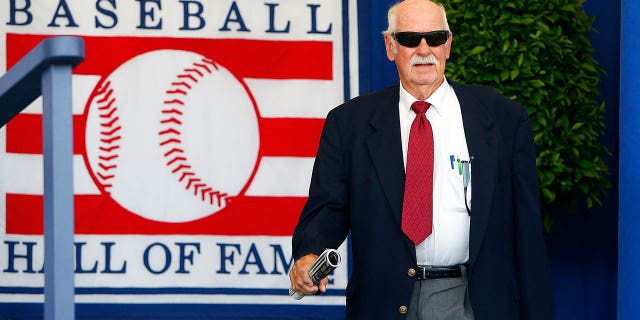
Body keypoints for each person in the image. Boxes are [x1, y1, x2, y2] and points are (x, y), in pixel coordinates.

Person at [288, 0, 554, 319]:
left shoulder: (504, 119)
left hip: (473, 299)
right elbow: (328, 206)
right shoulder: (349, 123)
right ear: (391, 46)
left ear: (449, 44)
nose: (424, 49)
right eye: (411, 39)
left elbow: (527, 231)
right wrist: (309, 253)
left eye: (436, 37)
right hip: (383, 300)